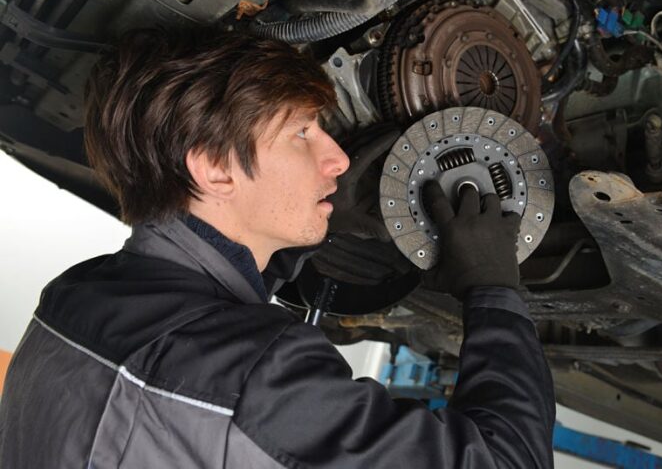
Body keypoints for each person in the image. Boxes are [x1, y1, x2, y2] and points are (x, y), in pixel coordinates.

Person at [0, 27, 555, 468]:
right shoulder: (259, 376)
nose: (337, 158)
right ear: (215, 168)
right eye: (302, 133)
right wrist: (493, 287)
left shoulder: (74, 299)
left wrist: (285, 252)